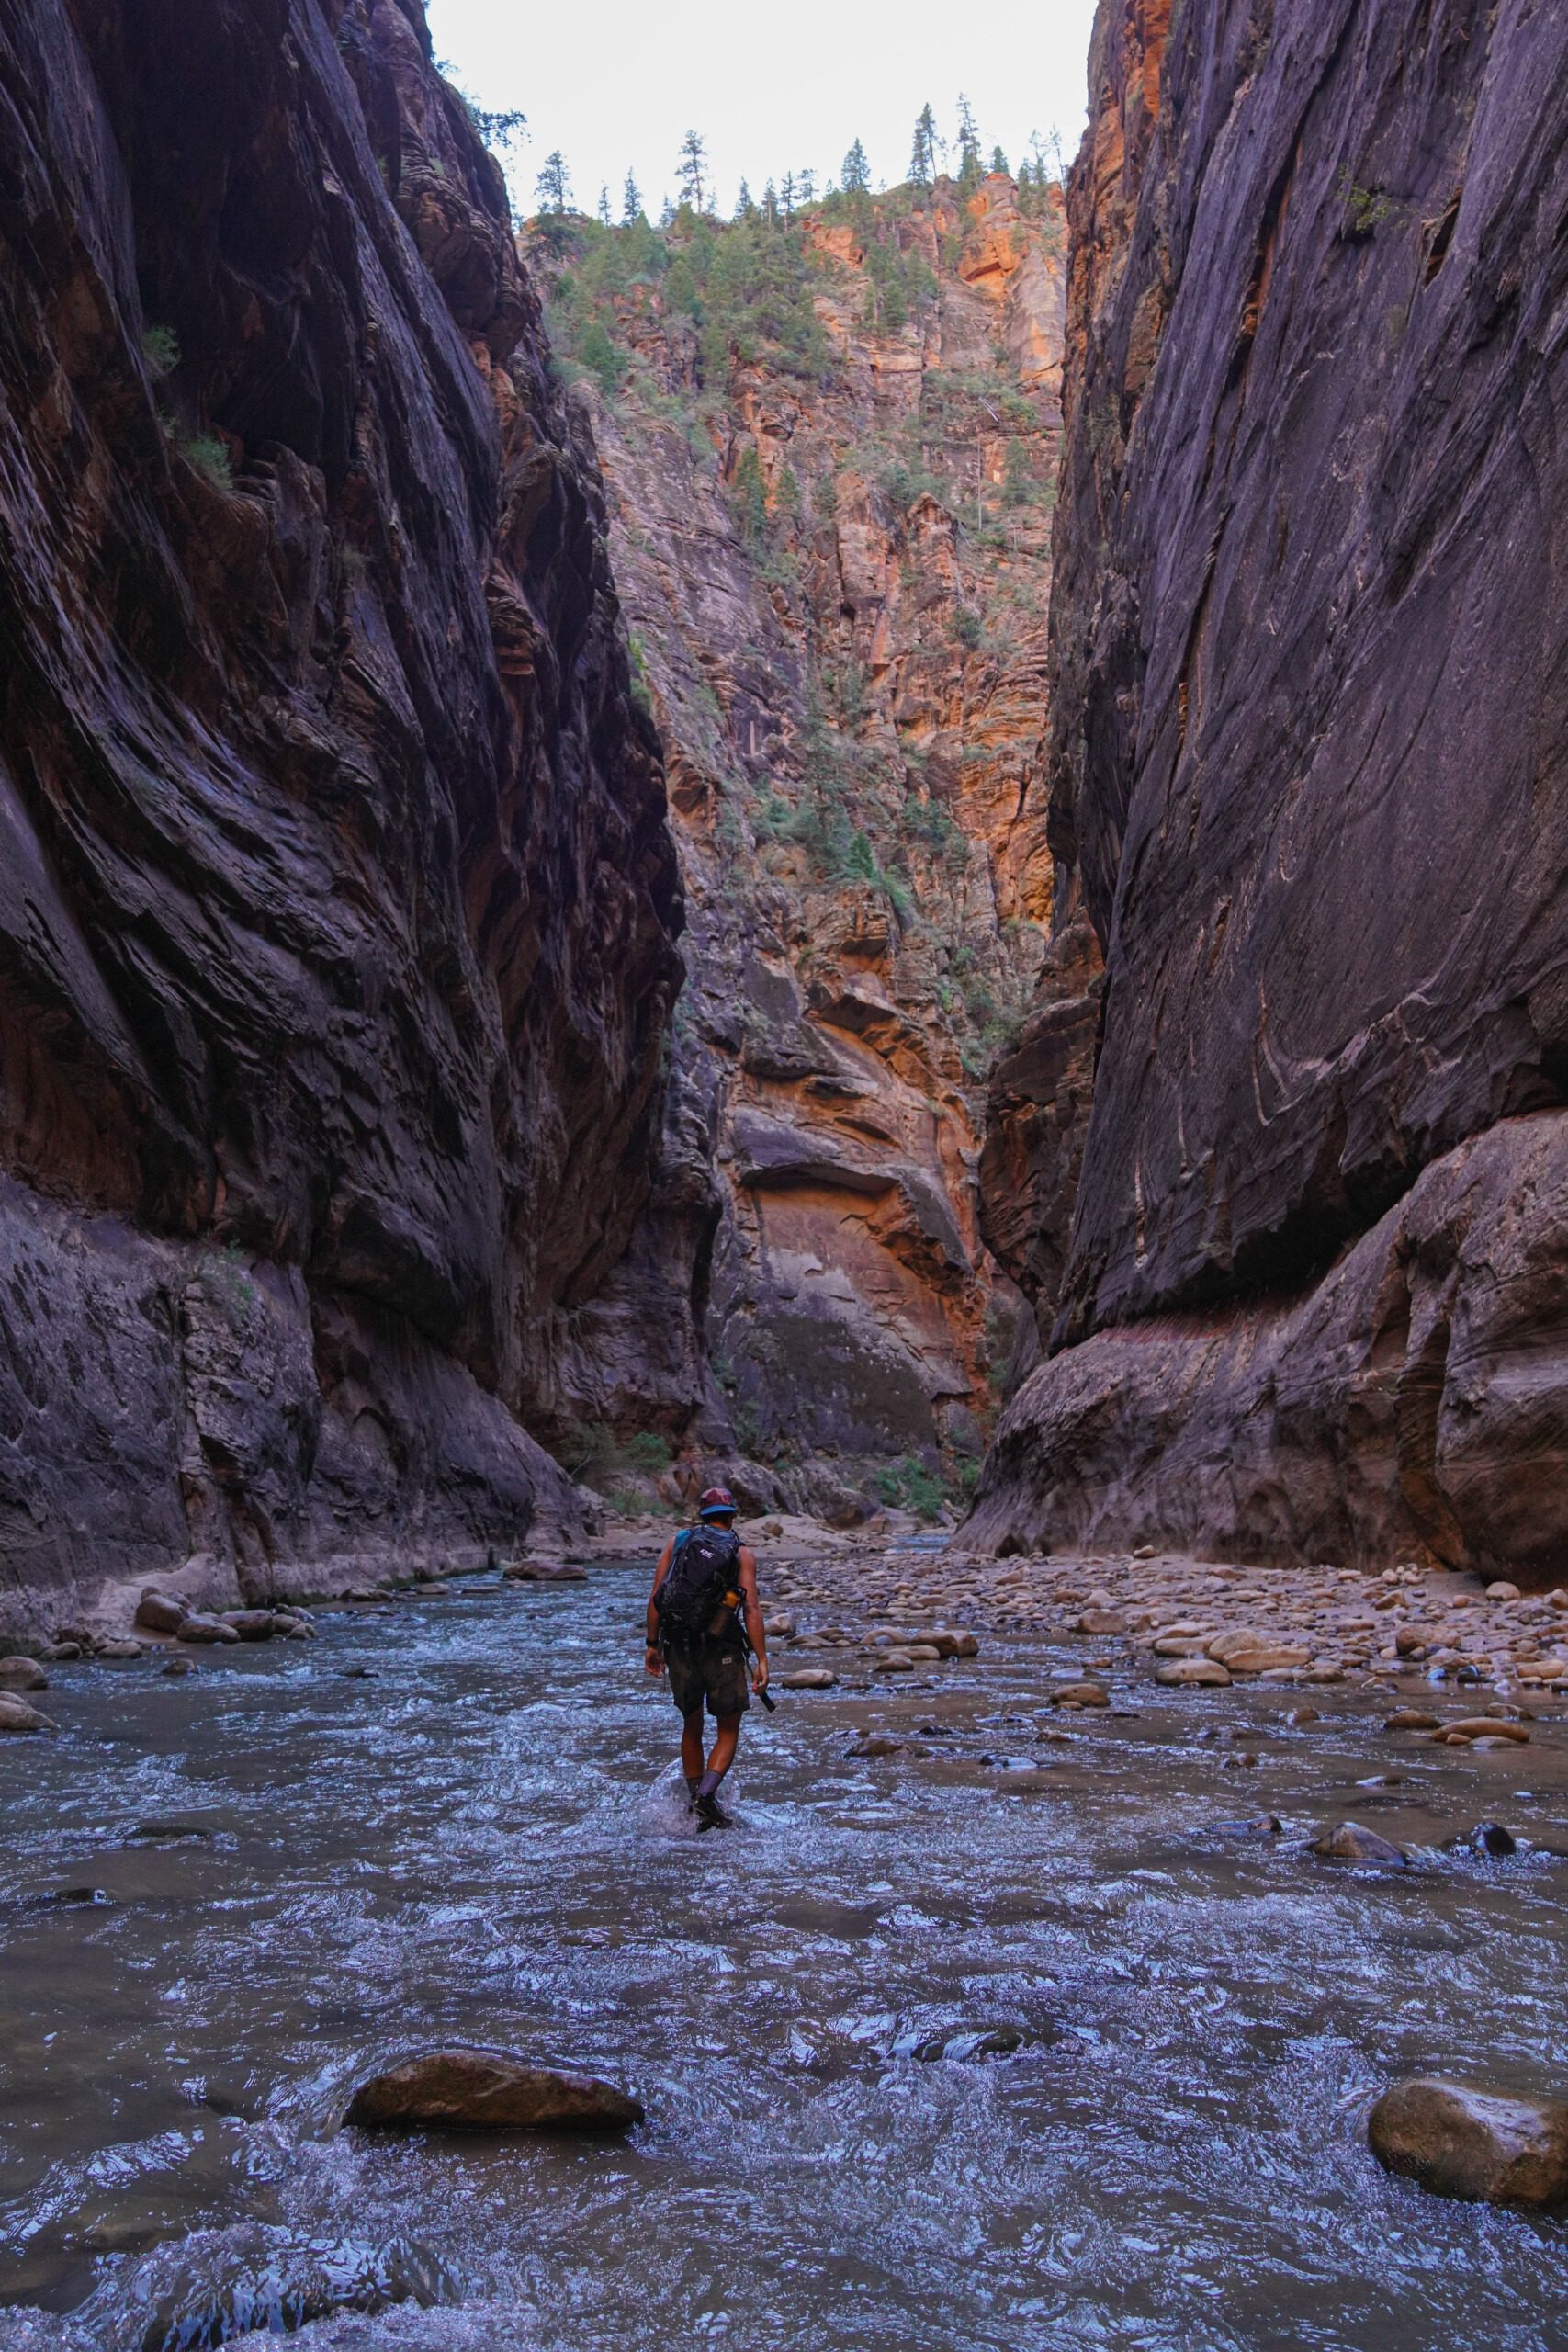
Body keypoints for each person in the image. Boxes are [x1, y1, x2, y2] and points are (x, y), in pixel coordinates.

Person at [645, 1485, 768, 1829]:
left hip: (679, 1645)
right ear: (731, 1515)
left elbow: (657, 1596)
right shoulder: (741, 1553)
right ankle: (705, 1799)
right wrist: (761, 1659)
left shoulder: (679, 1542)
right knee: (728, 1729)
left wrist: (652, 1644)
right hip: (722, 1648)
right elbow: (752, 1608)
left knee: (692, 1723)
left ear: (702, 1515)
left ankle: (694, 1801)